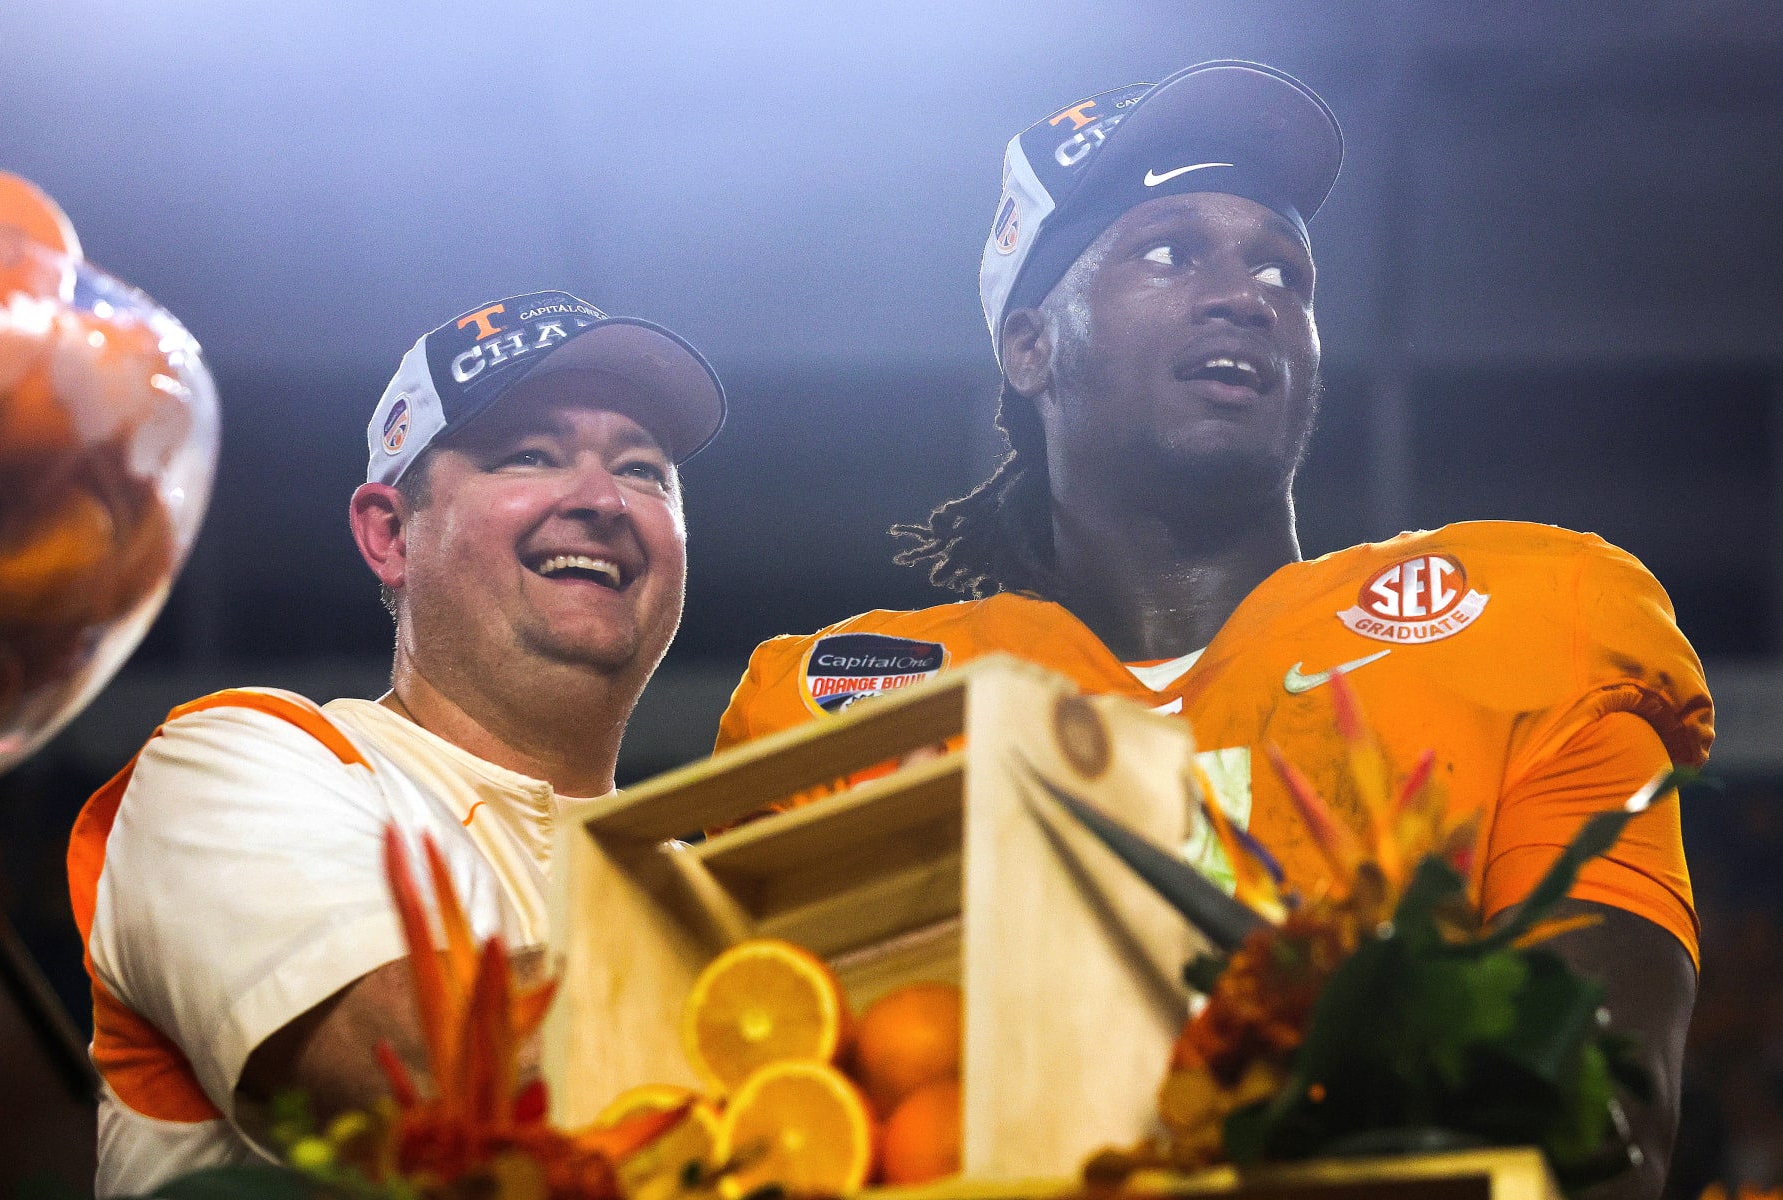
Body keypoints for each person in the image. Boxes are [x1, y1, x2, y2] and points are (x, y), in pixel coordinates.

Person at [714, 63, 1709, 1200]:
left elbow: (1602, 1135)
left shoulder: (1525, 620)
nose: (1248, 292)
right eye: (1170, 250)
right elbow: (784, 1134)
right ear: (1032, 346)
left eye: (1283, 267)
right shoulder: (840, 703)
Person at [67, 291, 725, 1194]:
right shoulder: (240, 759)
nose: (604, 500)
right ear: (389, 534)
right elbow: (427, 1079)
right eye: (529, 455)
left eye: (645, 471)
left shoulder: (698, 880)